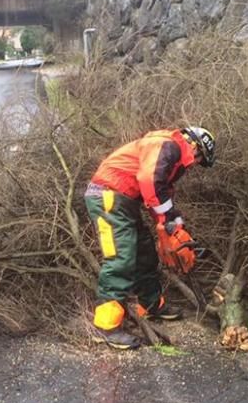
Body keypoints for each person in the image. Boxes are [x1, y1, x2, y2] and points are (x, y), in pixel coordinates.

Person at [84, 126, 216, 349]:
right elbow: (150, 181)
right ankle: (105, 327)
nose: (195, 163)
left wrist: (172, 228)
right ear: (194, 144)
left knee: (145, 251)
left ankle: (151, 304)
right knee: (121, 257)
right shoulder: (169, 146)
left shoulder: (170, 155)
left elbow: (159, 195)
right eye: (199, 157)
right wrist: (167, 221)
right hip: (107, 197)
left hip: (124, 200)